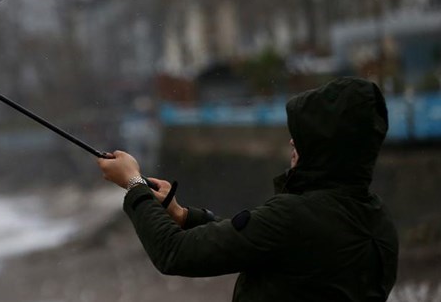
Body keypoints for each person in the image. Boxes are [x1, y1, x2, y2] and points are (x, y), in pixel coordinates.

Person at [97, 77, 398, 301]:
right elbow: (263, 244)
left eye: (302, 136)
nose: (292, 142)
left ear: (326, 146)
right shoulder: (378, 221)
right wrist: (184, 215)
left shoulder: (293, 217)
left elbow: (175, 253)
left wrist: (133, 183)